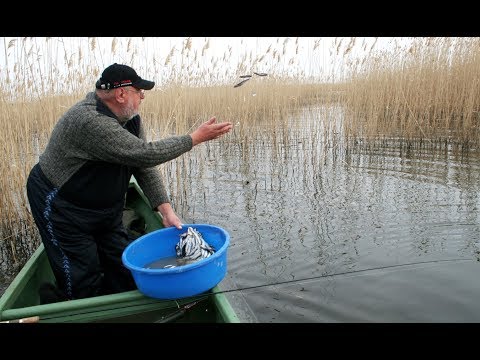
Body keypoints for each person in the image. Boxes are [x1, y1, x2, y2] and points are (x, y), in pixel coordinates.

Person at [26, 63, 233, 303]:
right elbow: (145, 153)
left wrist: (165, 210)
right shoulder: (88, 120)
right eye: (139, 91)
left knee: (123, 268)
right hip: (62, 205)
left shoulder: (131, 119)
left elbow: (142, 166)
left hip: (105, 209)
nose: (143, 96)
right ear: (121, 93)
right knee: (81, 278)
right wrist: (194, 138)